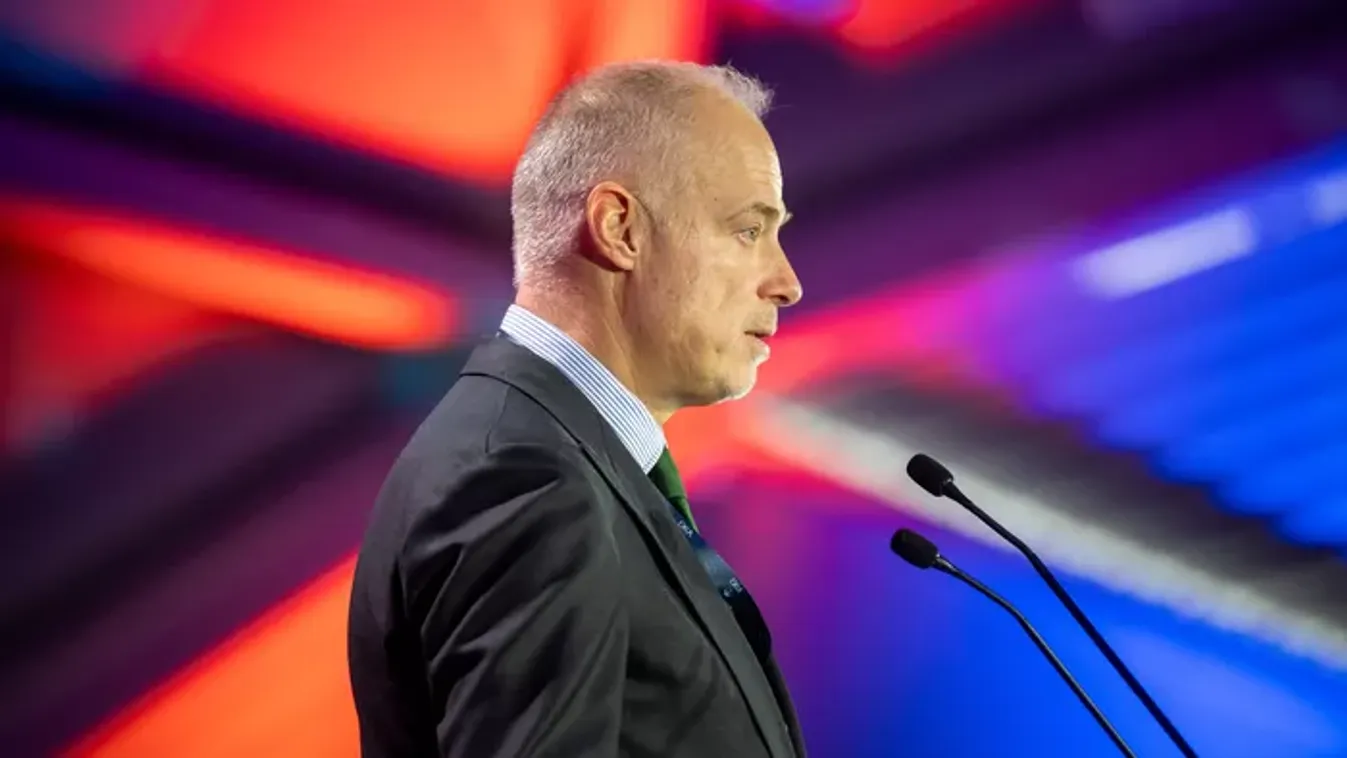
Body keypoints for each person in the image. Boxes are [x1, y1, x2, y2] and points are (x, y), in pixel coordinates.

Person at [347, 59, 805, 758]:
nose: (786, 282)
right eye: (748, 230)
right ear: (620, 229)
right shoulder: (524, 479)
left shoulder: (563, 461)